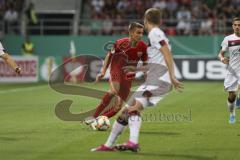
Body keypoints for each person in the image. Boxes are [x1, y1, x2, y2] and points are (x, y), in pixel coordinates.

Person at [91, 8, 183, 152]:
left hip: (159, 80)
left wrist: (172, 76)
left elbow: (167, 54)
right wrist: (137, 70)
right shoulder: (155, 35)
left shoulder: (154, 33)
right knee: (127, 111)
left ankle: (128, 143)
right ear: (161, 21)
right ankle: (111, 145)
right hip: (155, 80)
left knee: (131, 109)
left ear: (146, 21)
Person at [85, 22, 148, 124]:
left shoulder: (143, 47)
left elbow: (145, 64)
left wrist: (147, 75)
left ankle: (98, 120)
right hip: (116, 70)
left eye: (142, 33)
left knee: (118, 107)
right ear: (131, 33)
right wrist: (103, 71)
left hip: (128, 77)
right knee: (114, 91)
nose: (141, 35)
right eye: (138, 33)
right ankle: (94, 116)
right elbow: (109, 56)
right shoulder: (120, 43)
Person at [218, 17, 240, 124]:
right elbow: (220, 54)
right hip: (232, 70)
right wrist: (222, 59)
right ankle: (232, 113)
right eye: (235, 25)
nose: (237, 27)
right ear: (232, 26)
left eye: (239, 25)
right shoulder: (228, 39)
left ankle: (239, 97)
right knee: (231, 97)